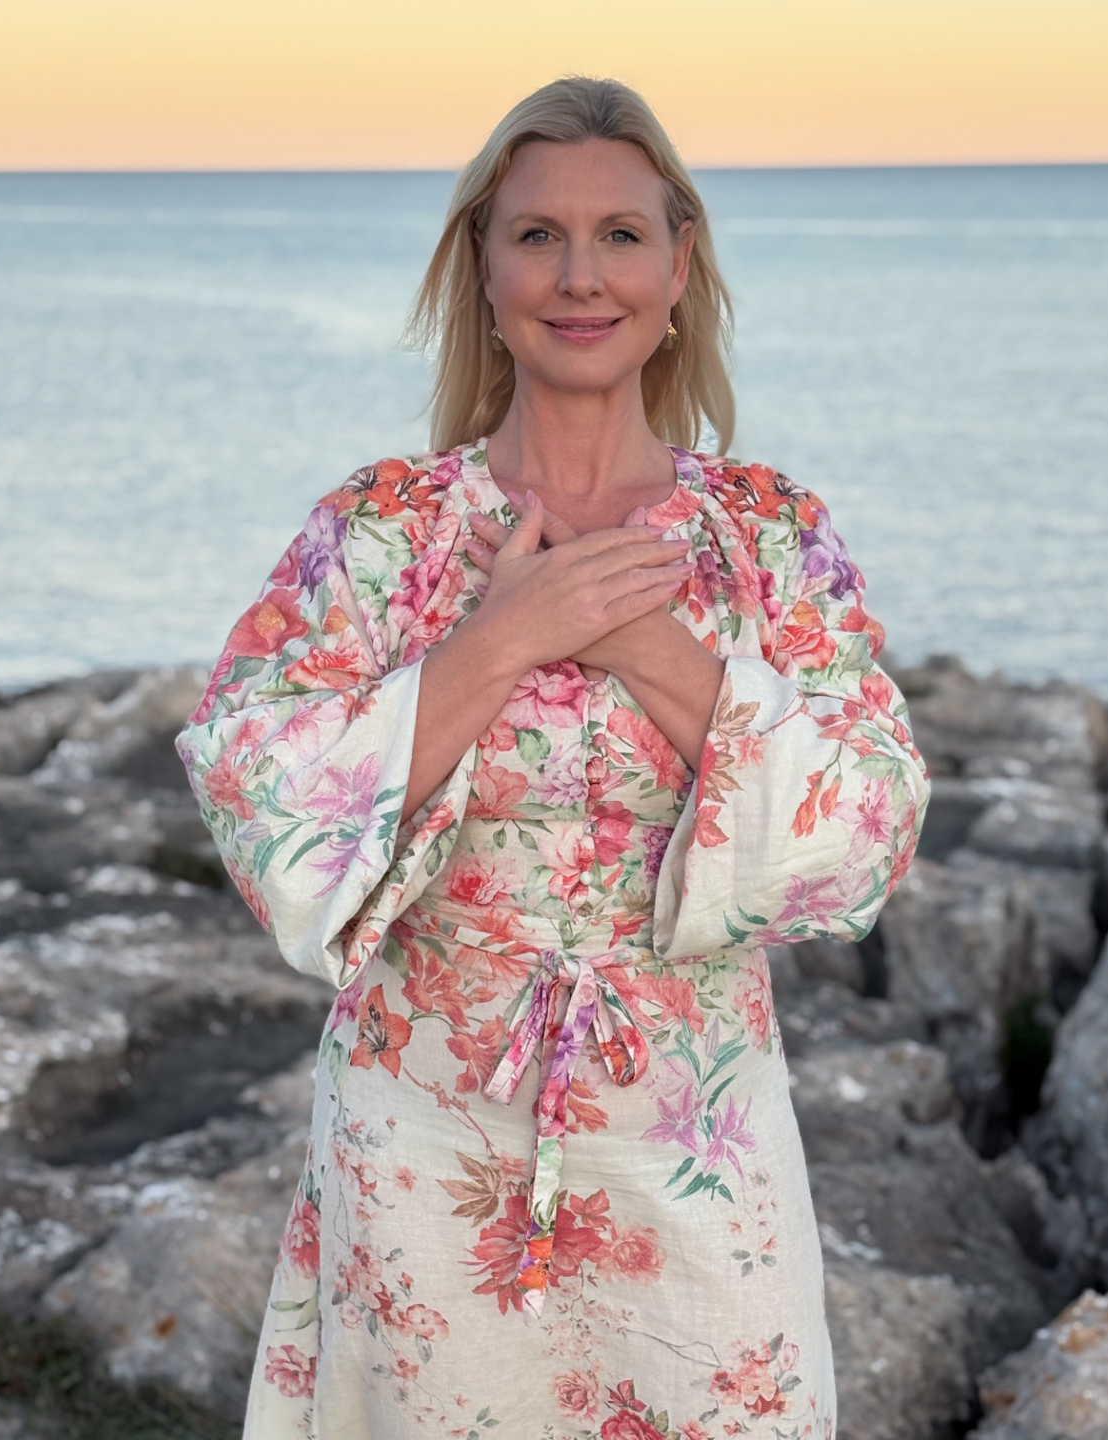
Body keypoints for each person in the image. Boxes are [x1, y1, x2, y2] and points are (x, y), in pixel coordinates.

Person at [176, 74, 931, 1440]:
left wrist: (647, 646)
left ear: (680, 267)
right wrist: (496, 641)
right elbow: (257, 796)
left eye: (623, 235)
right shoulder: (382, 533)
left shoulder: (772, 536)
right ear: (481, 266)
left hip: (697, 1153)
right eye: (537, 236)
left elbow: (870, 825)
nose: (582, 276)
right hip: (420, 1143)